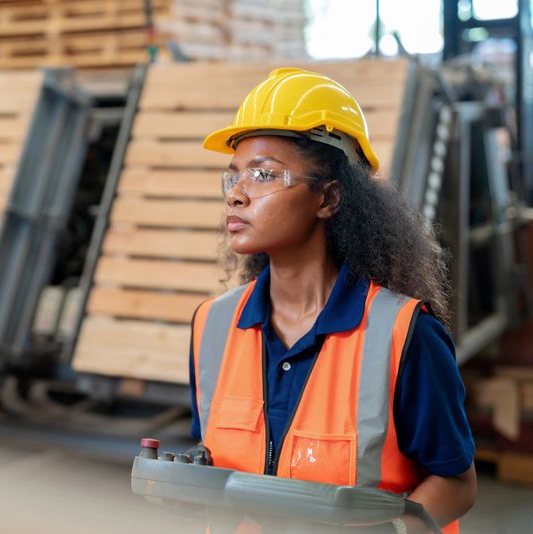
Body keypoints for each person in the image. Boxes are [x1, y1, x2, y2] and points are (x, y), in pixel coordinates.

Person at [188, 67, 476, 533]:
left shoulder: (403, 334)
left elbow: (457, 482)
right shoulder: (212, 326)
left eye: (263, 174)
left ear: (328, 199)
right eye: (233, 177)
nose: (236, 196)